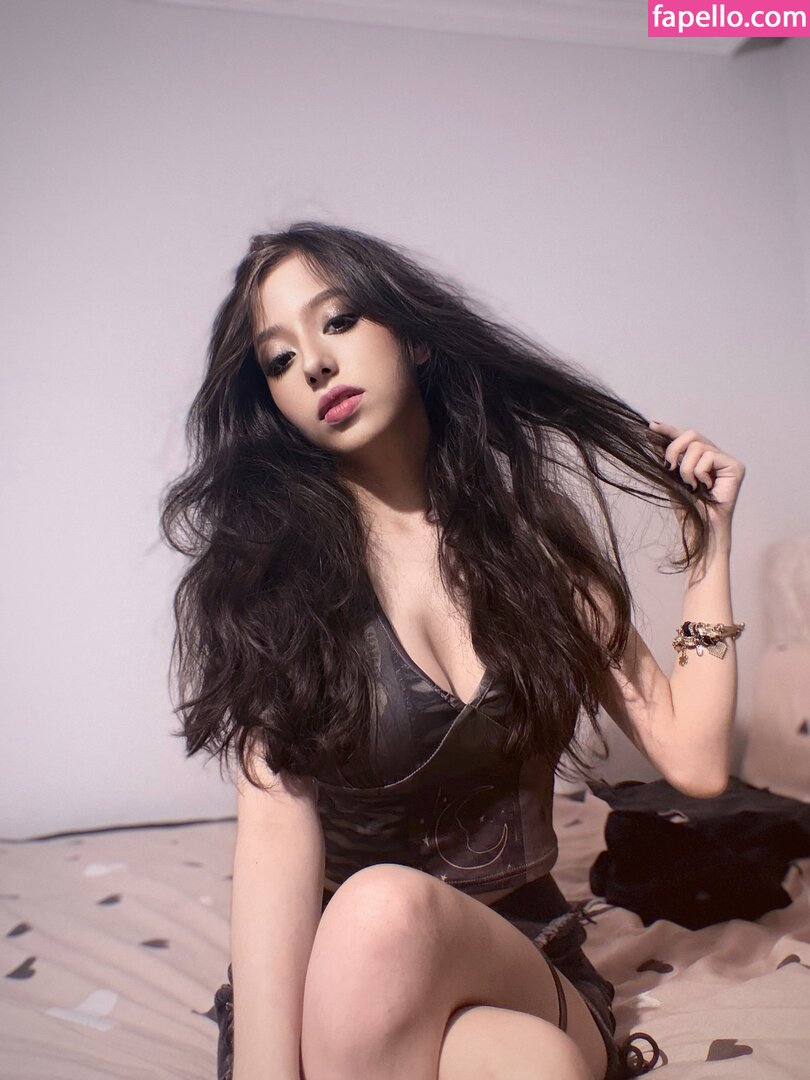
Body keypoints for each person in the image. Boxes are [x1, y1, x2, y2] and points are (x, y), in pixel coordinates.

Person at [159, 221, 746, 1080]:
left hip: (518, 959)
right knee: (529, 1057)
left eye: (339, 320)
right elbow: (274, 840)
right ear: (273, 403)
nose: (314, 364)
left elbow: (694, 760)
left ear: (417, 336)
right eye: (278, 360)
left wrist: (709, 553)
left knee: (408, 930)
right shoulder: (272, 588)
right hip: (342, 992)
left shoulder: (537, 554)